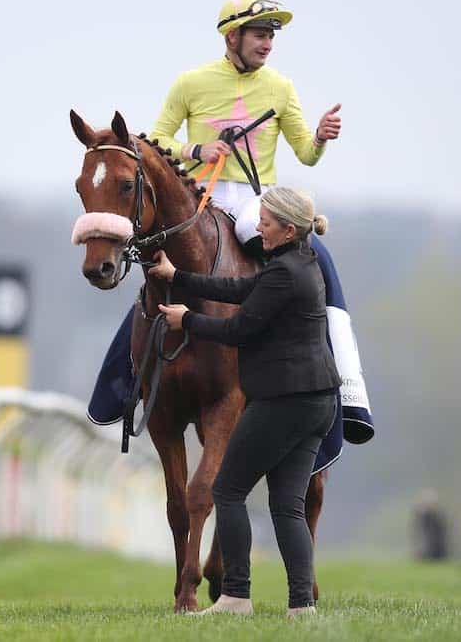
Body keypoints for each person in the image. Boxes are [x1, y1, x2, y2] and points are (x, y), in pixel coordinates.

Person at [88, 0, 373, 454]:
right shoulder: (191, 82)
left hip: (256, 202)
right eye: (260, 35)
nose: (268, 44)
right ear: (232, 36)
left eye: (272, 36)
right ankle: (122, 380)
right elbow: (156, 137)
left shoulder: (281, 88)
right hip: (197, 196)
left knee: (317, 258)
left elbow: (305, 152)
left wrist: (319, 138)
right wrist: (197, 151)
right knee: (154, 273)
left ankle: (349, 387)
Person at [151, 187, 338, 617]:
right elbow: (237, 288)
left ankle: (235, 596)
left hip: (283, 403)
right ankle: (301, 607)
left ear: (288, 229)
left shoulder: (283, 274)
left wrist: (188, 319)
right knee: (287, 505)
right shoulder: (300, 264)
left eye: (266, 223)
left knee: (227, 489)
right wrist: (177, 277)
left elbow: (238, 331)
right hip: (315, 402)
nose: (258, 228)